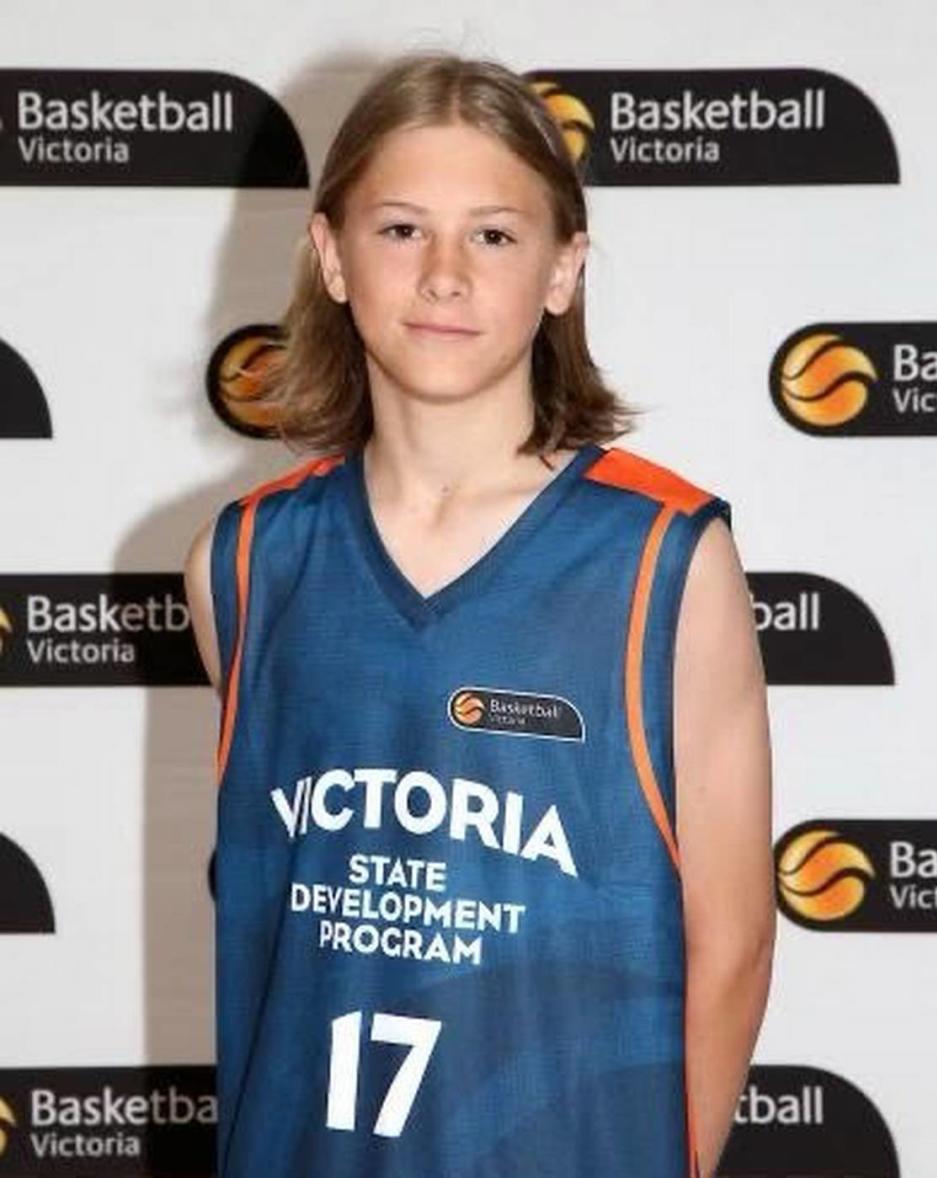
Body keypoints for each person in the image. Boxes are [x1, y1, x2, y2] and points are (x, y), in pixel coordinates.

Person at [184, 50, 774, 1178]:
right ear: (331, 257)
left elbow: (734, 942)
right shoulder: (243, 560)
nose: (446, 274)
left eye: (494, 235)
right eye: (402, 229)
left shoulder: (664, 556)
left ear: (564, 269)